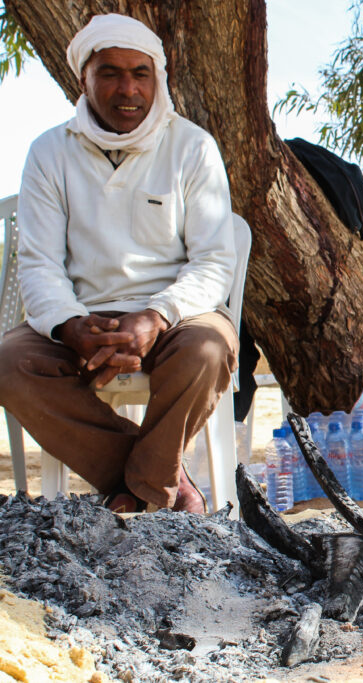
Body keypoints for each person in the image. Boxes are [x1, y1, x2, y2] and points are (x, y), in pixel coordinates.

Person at [0, 14, 238, 514]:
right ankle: (161, 482)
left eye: (141, 73)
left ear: (159, 79)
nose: (127, 89)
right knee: (6, 363)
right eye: (109, 73)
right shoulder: (49, 153)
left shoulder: (191, 147)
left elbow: (215, 263)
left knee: (210, 351)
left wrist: (157, 315)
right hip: (82, 320)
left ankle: (141, 493)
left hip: (175, 320)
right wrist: (69, 326)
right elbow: (39, 265)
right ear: (82, 78)